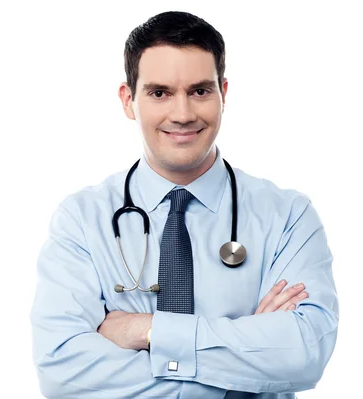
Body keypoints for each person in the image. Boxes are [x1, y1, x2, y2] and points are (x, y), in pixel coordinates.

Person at [29, 10, 338, 399]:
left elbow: (302, 354)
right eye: (160, 93)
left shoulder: (288, 216)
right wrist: (246, 359)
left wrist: (147, 330)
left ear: (223, 94)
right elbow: (62, 370)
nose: (182, 114)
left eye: (200, 91)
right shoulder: (81, 220)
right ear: (129, 100)